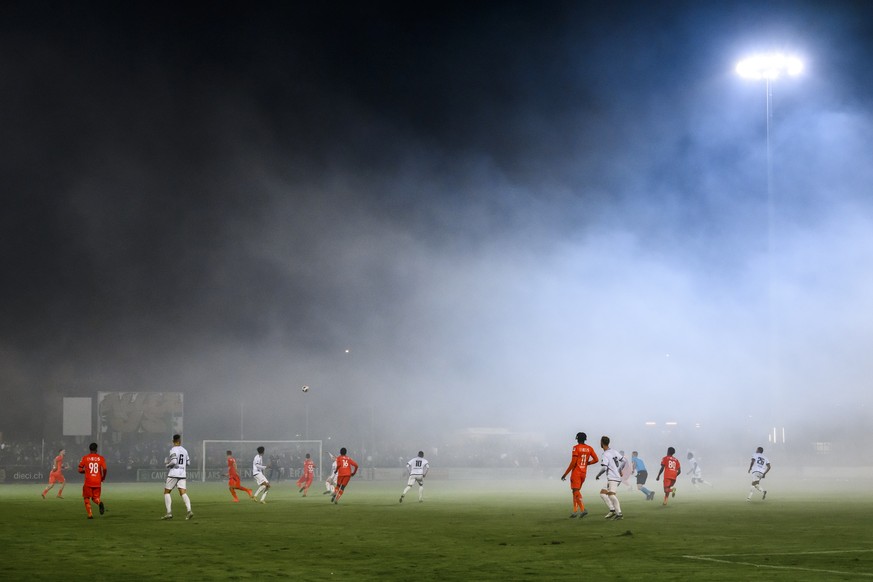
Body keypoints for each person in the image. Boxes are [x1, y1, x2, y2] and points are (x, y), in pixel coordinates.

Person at [560, 432, 598, 518]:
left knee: (575, 491)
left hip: (576, 472)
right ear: (585, 439)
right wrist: (587, 463)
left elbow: (573, 463)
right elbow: (596, 459)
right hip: (583, 473)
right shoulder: (589, 448)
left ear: (577, 439)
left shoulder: (576, 448)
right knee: (575, 492)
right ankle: (574, 512)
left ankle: (583, 509)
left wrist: (565, 474)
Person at [162, 434, 193, 520]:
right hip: (182, 473)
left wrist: (167, 464)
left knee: (167, 492)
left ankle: (169, 513)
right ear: (180, 441)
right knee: (183, 492)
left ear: (173, 441)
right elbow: (188, 463)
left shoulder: (173, 450)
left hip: (174, 473)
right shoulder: (185, 450)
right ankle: (189, 510)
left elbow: (174, 461)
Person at [594, 436, 624, 520]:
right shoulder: (614, 451)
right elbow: (624, 461)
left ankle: (619, 513)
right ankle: (612, 509)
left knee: (611, 495)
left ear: (602, 443)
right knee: (603, 493)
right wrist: (620, 469)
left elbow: (604, 467)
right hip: (613, 477)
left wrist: (598, 475)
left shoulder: (605, 454)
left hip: (613, 477)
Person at [77, 442, 107, 519]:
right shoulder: (101, 458)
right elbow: (104, 469)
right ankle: (99, 503)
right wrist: (103, 478)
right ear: (96, 449)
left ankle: (90, 514)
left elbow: (79, 469)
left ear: (90, 449)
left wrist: (85, 471)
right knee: (95, 498)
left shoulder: (85, 458)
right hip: (97, 481)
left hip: (88, 482)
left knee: (86, 498)